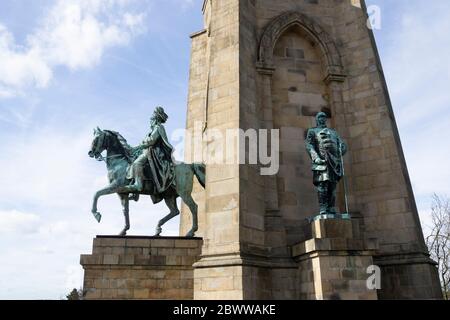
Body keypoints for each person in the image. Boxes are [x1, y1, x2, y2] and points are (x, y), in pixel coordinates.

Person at [125, 107, 175, 202]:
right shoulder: (151, 131)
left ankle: (138, 185)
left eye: (151, 120)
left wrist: (138, 147)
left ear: (155, 119)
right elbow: (144, 142)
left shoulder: (158, 127)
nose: (150, 121)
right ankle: (135, 193)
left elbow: (151, 141)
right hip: (147, 151)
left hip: (154, 153)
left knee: (137, 164)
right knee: (132, 162)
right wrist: (134, 148)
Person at [305, 112, 347, 215]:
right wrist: (316, 158)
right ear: (317, 119)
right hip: (321, 162)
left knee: (332, 187)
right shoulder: (312, 131)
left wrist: (343, 147)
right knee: (322, 185)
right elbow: (309, 145)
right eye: (320, 117)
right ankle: (323, 207)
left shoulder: (333, 132)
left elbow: (340, 143)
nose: (322, 119)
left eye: (324, 117)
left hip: (334, 162)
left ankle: (331, 207)